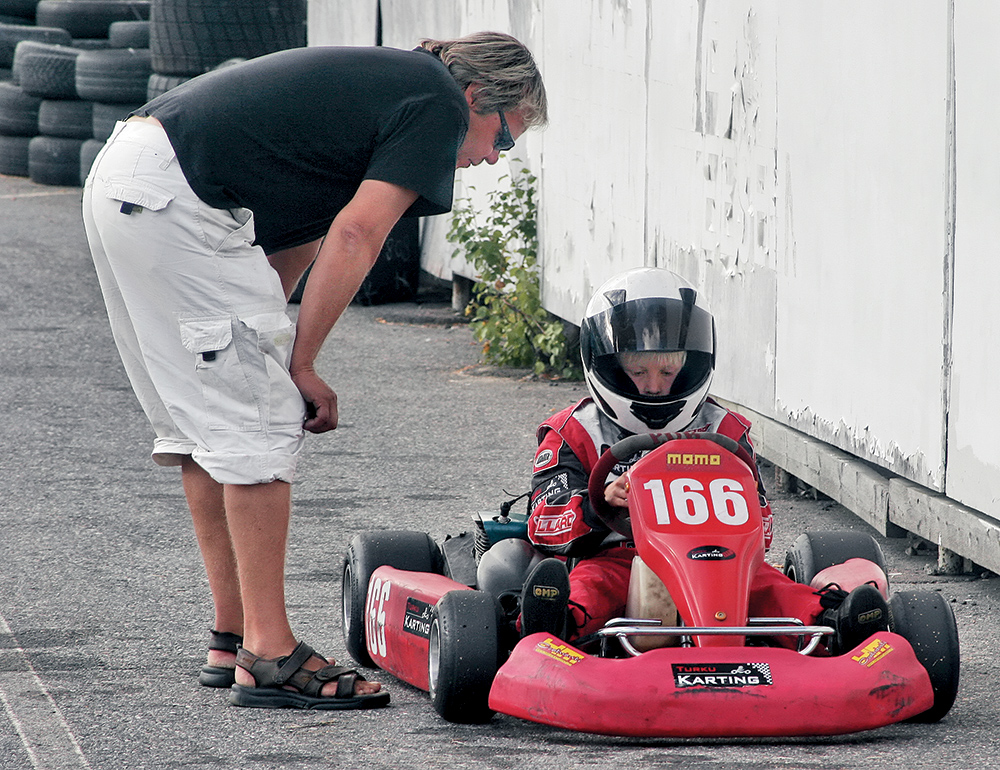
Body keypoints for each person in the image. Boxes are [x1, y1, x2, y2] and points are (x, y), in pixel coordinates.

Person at [81, 31, 547, 710]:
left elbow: (303, 228)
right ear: (478, 98)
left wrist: (270, 344)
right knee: (259, 420)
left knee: (210, 424)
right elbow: (357, 235)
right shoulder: (437, 104)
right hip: (176, 199)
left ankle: (232, 636)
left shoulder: (390, 89)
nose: (492, 159)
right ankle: (270, 654)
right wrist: (297, 364)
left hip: (134, 178)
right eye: (504, 138)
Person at [520, 267, 889, 655]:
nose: (654, 385)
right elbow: (544, 521)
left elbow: (760, 528)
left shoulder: (725, 429)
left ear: (691, 362)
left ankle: (837, 624)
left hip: (720, 563)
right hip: (617, 558)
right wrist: (601, 504)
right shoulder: (572, 432)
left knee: (771, 588)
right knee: (590, 587)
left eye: (667, 370)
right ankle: (553, 624)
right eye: (638, 370)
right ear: (609, 365)